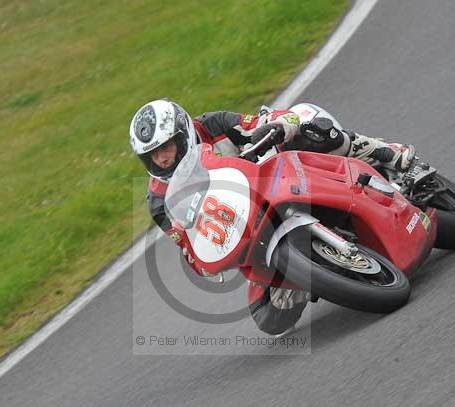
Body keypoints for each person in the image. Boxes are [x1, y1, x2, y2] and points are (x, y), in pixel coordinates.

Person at [129, 99, 415, 334]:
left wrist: (278, 125)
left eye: (166, 148)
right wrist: (204, 259)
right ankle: (320, 268)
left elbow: (265, 122)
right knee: (271, 320)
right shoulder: (159, 200)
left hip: (276, 175)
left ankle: (388, 154)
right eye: (152, 156)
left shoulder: (213, 125)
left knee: (310, 124)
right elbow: (188, 247)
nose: (162, 160)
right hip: (248, 225)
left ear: (184, 132)